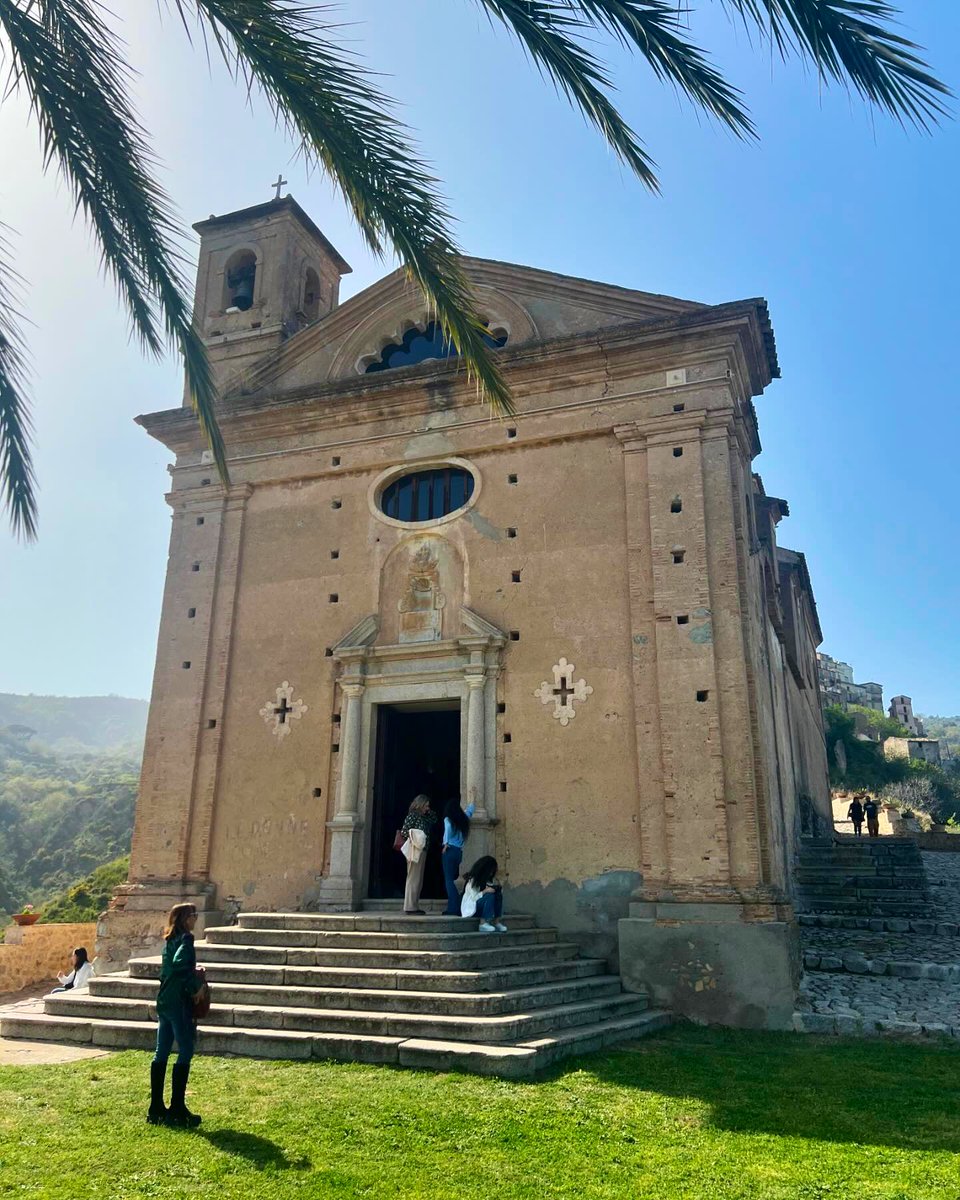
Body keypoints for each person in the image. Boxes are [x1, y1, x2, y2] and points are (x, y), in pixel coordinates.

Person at [148, 903, 205, 1127]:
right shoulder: (186, 940)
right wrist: (195, 988)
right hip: (179, 1001)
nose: (196, 919)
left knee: (161, 1052)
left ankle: (156, 1107)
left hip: (164, 1000)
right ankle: (177, 1107)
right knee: (186, 1049)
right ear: (185, 919)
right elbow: (180, 964)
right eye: (194, 915)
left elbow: (167, 970)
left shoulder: (169, 940)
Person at [400, 795, 437, 915]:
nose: (427, 808)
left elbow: (434, 819)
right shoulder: (412, 815)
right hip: (414, 849)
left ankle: (414, 905)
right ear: (420, 805)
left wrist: (428, 811)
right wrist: (417, 835)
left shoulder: (424, 816)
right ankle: (410, 907)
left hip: (422, 849)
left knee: (418, 879)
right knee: (413, 877)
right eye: (425, 805)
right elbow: (404, 831)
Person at [441, 797, 474, 916]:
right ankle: (457, 905)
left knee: (448, 880)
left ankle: (453, 908)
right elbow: (470, 810)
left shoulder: (448, 819)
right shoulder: (463, 819)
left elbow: (448, 830)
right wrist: (472, 798)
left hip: (450, 850)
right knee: (452, 880)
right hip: (459, 852)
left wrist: (445, 844)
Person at [460, 856, 507, 933]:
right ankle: (483, 923)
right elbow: (473, 898)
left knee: (497, 894)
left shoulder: (488, 880)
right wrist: (484, 891)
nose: (492, 873)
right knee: (489, 895)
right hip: (471, 908)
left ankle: (497, 922)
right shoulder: (473, 880)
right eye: (491, 871)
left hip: (483, 907)